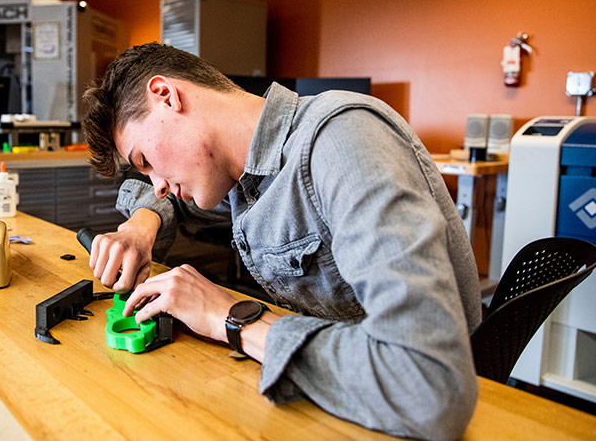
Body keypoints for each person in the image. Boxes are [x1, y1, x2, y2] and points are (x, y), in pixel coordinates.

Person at [82, 42, 481, 440]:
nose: (158, 185)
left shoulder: (342, 139)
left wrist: (230, 319)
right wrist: (141, 225)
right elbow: (170, 203)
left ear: (166, 96)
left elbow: (428, 383)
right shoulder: (240, 177)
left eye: (145, 161)